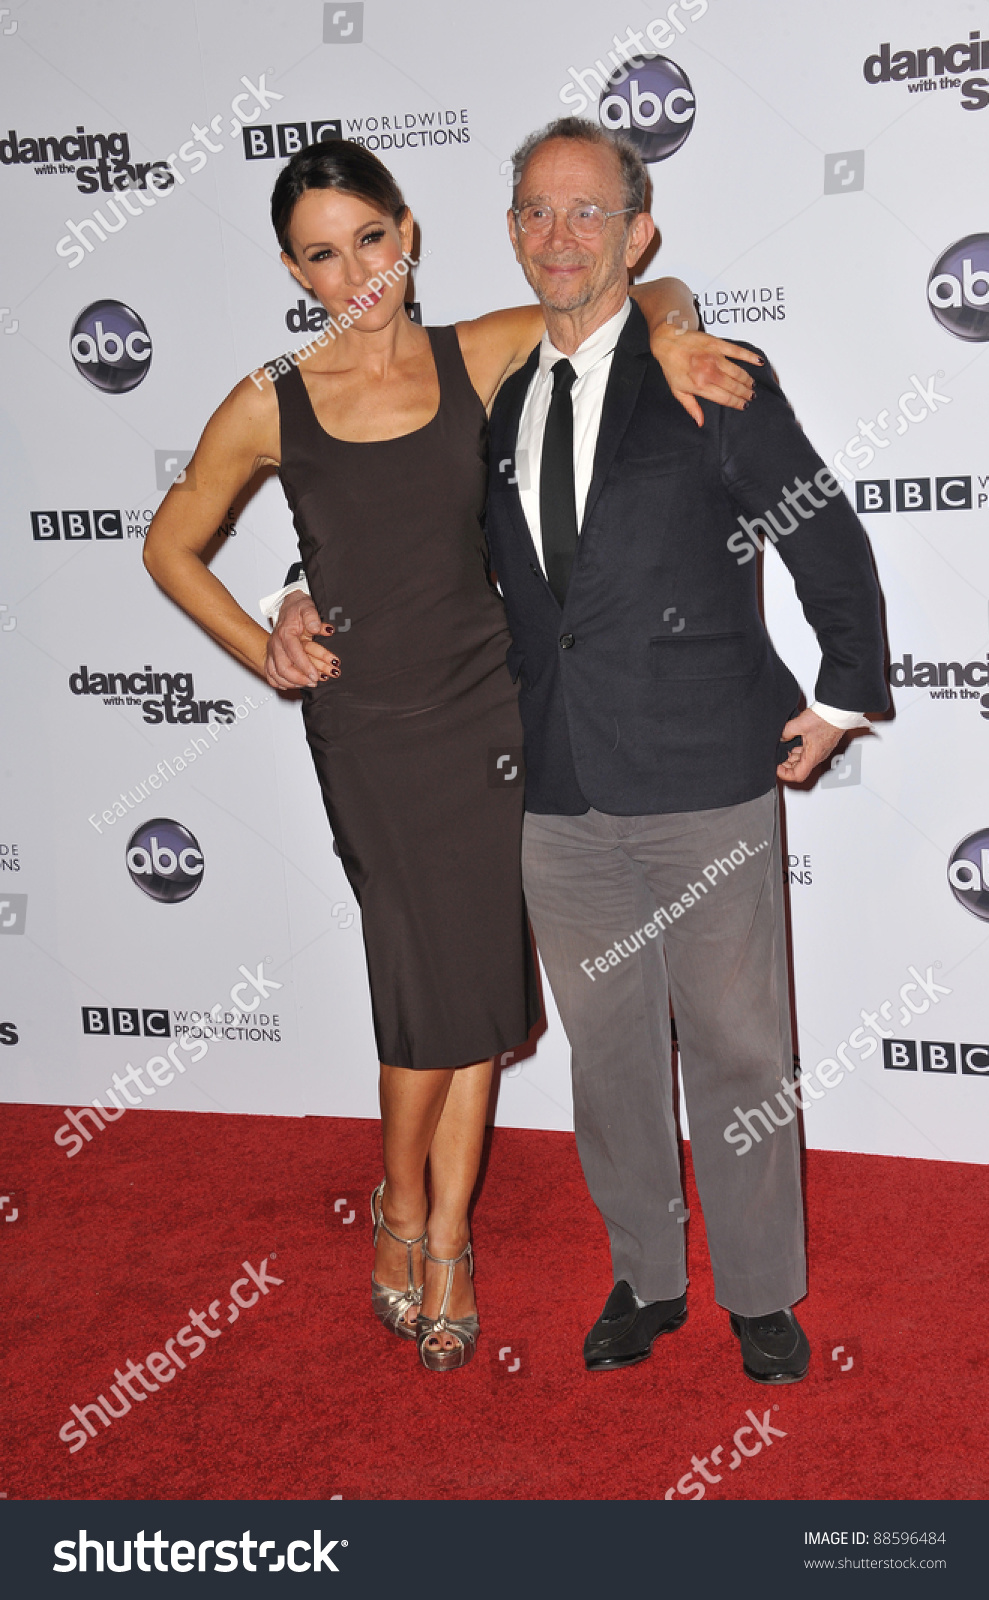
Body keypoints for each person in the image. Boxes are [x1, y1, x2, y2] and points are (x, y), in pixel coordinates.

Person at [146, 139, 758, 1373]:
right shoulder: (272, 396)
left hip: (487, 706)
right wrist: (265, 636)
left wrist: (678, 330)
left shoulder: (471, 350)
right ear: (292, 267)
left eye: (369, 238)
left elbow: (634, 294)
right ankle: (397, 1204)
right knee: (422, 988)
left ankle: (445, 1239)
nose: (354, 271)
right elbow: (170, 545)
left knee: (475, 993)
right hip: (369, 727)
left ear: (408, 229)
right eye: (322, 254)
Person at [475, 116, 890, 1382]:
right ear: (511, 232)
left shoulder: (704, 369)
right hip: (558, 789)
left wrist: (840, 700)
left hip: (707, 774)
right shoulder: (494, 401)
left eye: (587, 212)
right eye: (536, 212)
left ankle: (758, 1293)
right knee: (606, 1060)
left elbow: (823, 535)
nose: (559, 235)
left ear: (636, 232)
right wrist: (288, 580)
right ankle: (644, 1277)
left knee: (738, 1049)